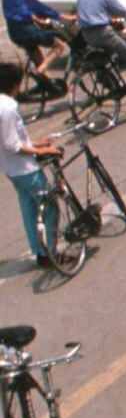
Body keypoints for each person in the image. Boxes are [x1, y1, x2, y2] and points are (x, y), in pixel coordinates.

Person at [0, 58, 62, 267]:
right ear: (15, 85)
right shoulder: (7, 108)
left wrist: (34, 142)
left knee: (28, 208)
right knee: (50, 206)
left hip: (10, 168)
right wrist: (41, 150)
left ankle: (40, 252)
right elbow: (12, 144)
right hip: (24, 168)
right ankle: (52, 252)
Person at [3, 0, 67, 88]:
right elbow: (42, 8)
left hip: (14, 33)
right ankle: (41, 70)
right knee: (59, 46)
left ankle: (47, 83)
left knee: (37, 55)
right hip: (27, 31)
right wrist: (64, 16)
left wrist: (34, 17)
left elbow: (21, 9)